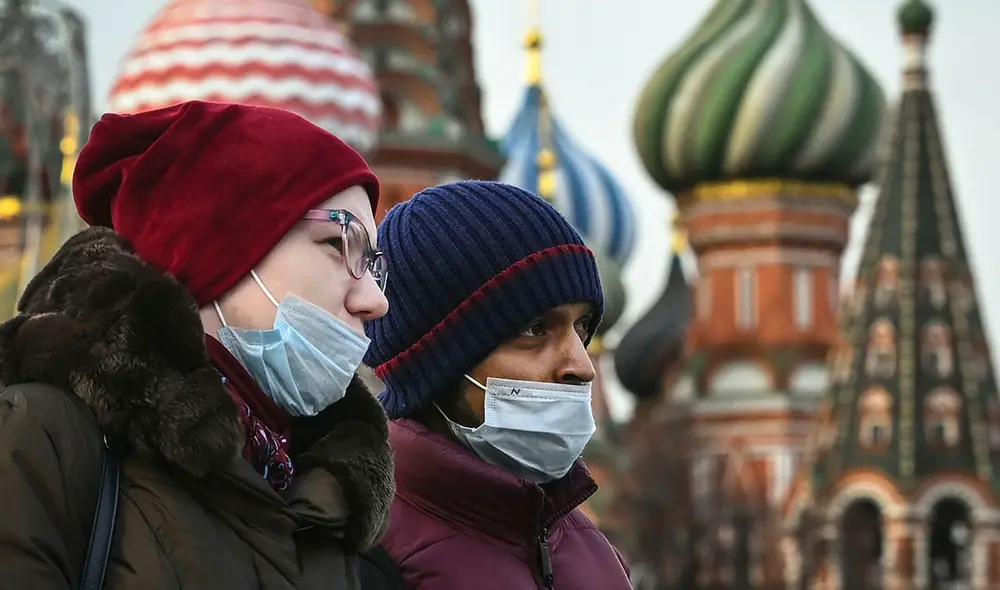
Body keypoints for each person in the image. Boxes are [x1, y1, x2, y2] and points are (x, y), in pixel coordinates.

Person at [0, 100, 395, 589]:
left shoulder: (323, 496)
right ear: (217, 245)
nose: (374, 300)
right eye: (338, 244)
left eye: (373, 262)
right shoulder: (41, 436)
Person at [362, 181, 632, 589]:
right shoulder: (361, 559)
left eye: (582, 328)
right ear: (438, 364)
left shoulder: (589, 548)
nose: (581, 365)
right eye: (535, 328)